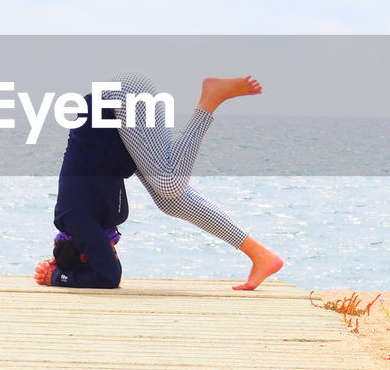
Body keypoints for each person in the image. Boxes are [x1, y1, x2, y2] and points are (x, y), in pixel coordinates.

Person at [34, 72, 284, 291]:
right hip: (119, 113)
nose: (112, 250)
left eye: (108, 252)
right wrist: (60, 264)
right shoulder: (79, 223)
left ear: (86, 253)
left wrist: (57, 277)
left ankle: (210, 100)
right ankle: (261, 255)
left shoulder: (75, 219)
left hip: (120, 96)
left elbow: (108, 276)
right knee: (171, 201)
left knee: (169, 183)